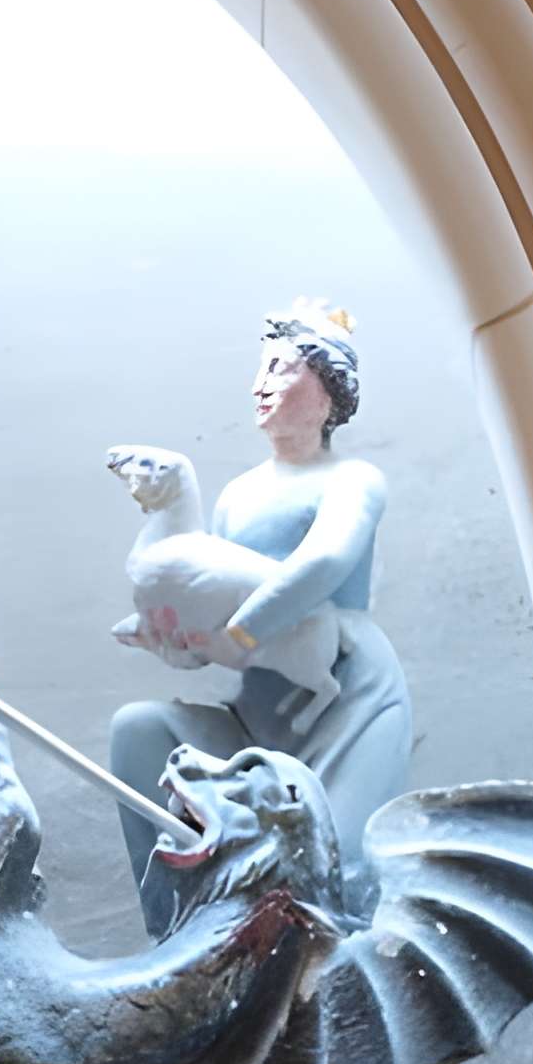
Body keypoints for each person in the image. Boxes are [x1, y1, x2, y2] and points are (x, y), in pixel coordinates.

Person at [108, 303, 412, 933]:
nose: (260, 382)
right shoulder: (238, 495)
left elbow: (326, 561)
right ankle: (178, 941)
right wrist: (179, 643)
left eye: (280, 368)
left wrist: (240, 633)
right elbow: (206, 607)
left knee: (338, 876)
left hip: (345, 697)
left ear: (327, 391)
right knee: (140, 733)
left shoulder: (353, 478)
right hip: (260, 712)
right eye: (260, 368)